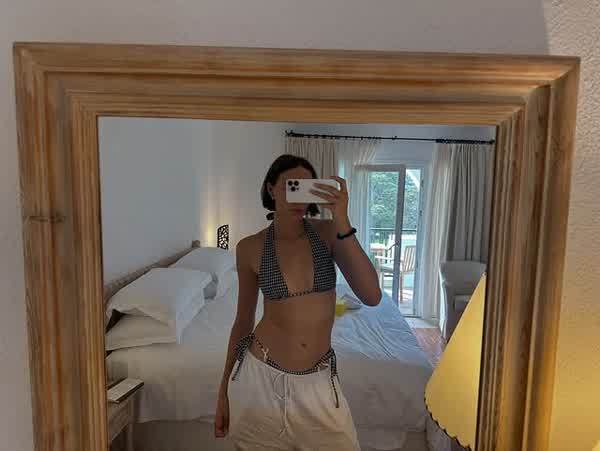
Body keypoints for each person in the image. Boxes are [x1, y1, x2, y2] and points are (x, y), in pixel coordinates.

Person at [214, 154, 382, 450]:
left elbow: (372, 295)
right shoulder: (250, 247)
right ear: (271, 189)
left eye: (307, 188)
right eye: (292, 186)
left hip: (318, 383)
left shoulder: (328, 233)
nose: (299, 197)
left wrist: (342, 219)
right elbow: (243, 320)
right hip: (260, 380)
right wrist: (223, 391)